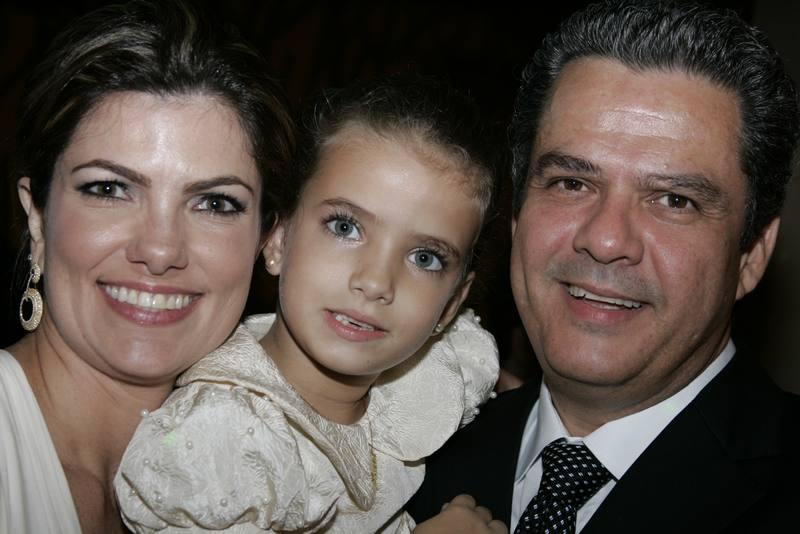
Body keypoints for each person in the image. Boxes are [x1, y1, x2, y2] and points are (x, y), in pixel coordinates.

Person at [408, 1, 800, 532]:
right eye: (572, 183)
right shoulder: (404, 460)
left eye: (674, 200)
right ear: (517, 215)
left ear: (751, 255)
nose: (606, 239)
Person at [114, 77, 506, 534]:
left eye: (425, 258)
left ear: (452, 303)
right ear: (278, 238)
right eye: (345, 227)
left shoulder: (431, 379)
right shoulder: (216, 440)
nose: (375, 282)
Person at [0, 1, 296, 532]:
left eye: (214, 203)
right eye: (109, 189)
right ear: (37, 218)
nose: (160, 251)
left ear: (267, 239)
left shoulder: (267, 486)